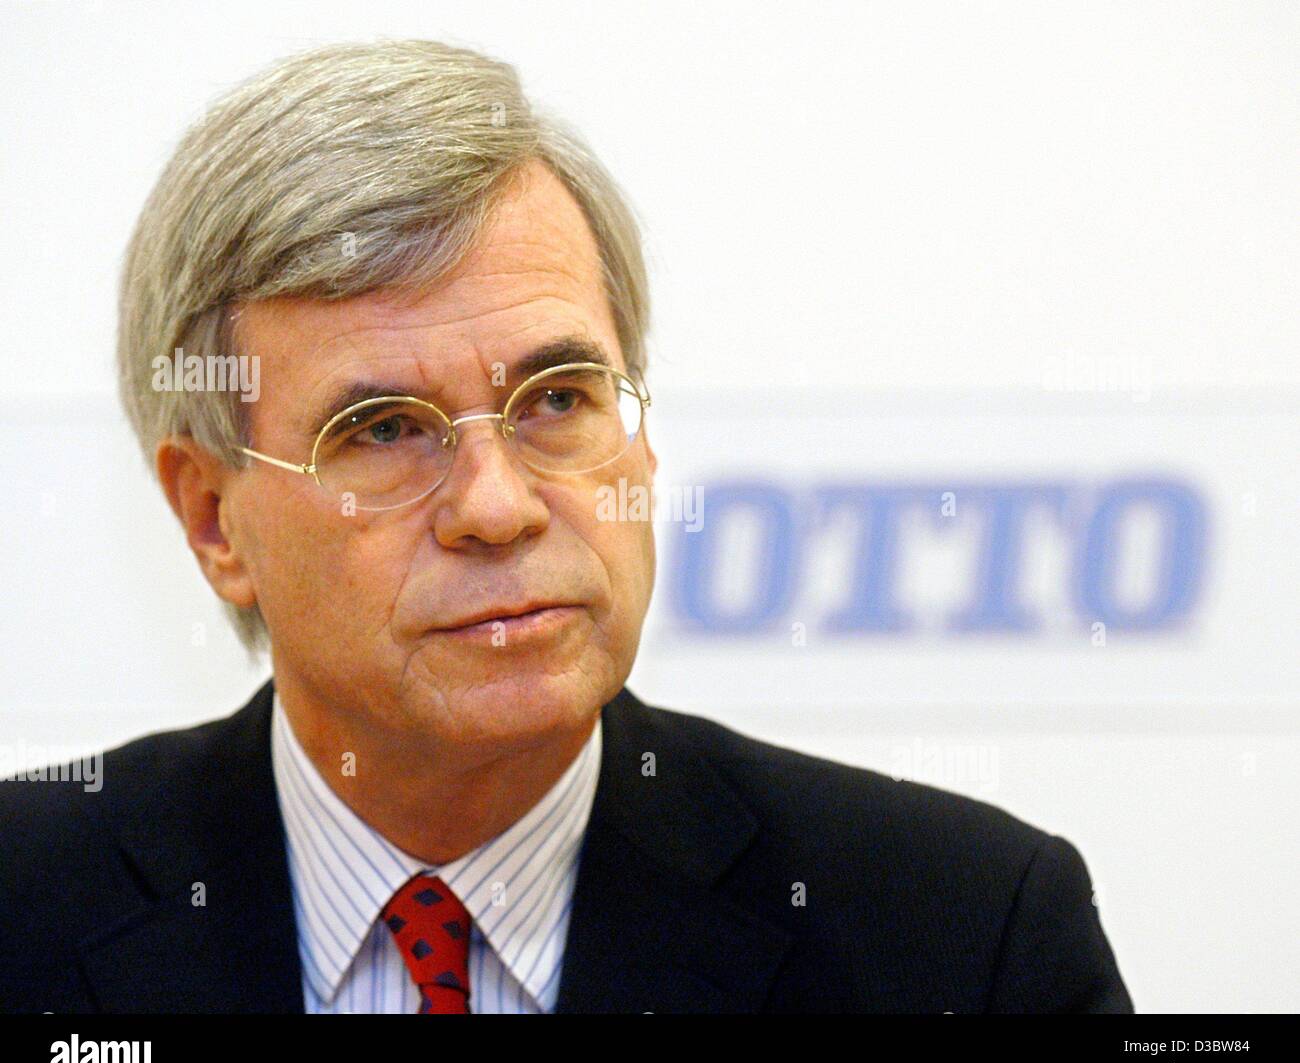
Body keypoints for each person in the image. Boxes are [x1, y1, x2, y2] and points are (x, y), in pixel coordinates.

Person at [0, 39, 1132, 1013]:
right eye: (386, 428)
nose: (497, 506)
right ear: (213, 521)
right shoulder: (27, 912)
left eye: (556, 401)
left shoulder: (962, 940)